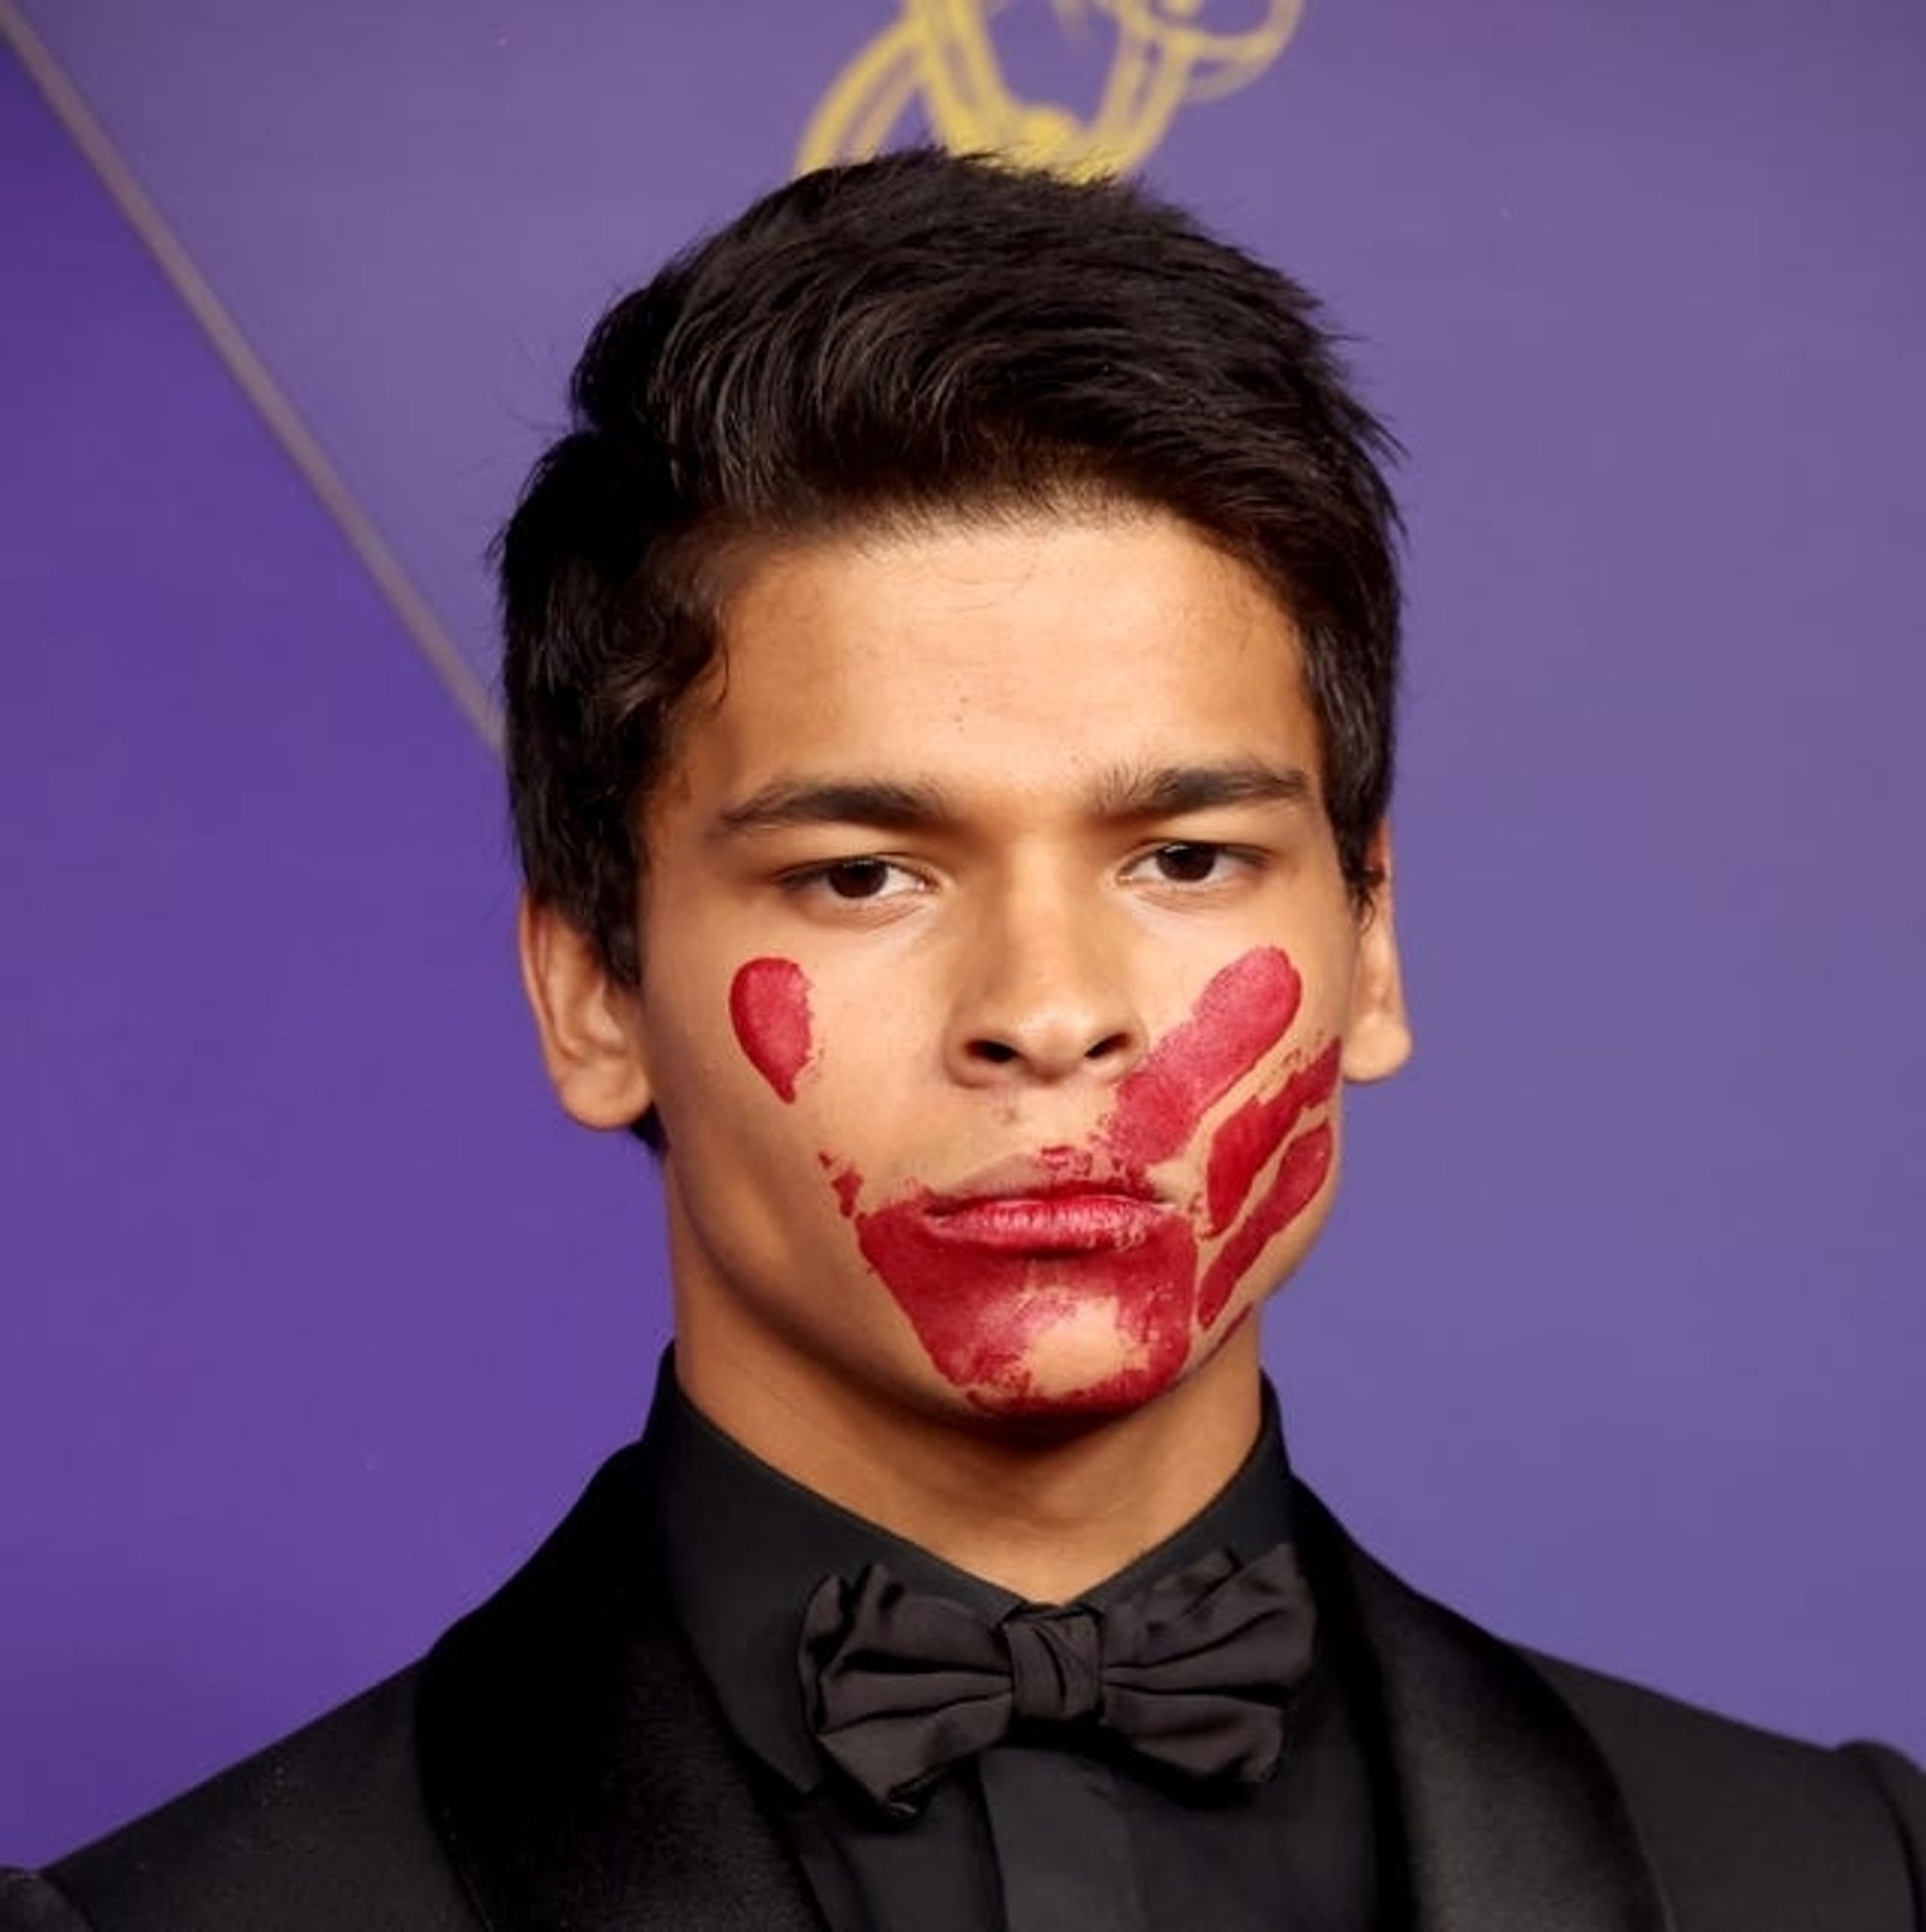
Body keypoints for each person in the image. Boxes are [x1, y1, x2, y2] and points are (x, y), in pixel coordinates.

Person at [3, 148, 1919, 1932]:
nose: (1047, 1011)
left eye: (1183, 854)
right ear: (592, 985)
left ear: (1373, 937)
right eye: (861, 875)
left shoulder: (1843, 1878)